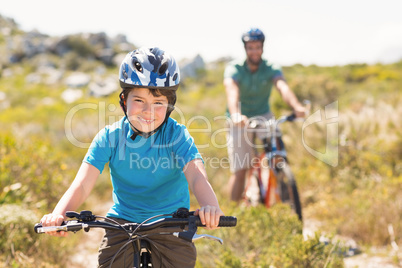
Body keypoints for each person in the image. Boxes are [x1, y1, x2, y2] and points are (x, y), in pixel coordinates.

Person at [40, 47, 224, 268]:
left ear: (169, 106)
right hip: (123, 220)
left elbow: (196, 175)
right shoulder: (109, 137)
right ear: (124, 101)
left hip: (171, 220)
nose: (148, 111)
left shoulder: (176, 135)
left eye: (158, 103)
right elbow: (82, 184)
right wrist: (58, 215)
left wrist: (210, 206)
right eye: (139, 100)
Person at [224, 28, 306, 202]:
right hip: (240, 119)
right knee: (241, 169)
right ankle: (231, 211)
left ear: (263, 48)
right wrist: (236, 114)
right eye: (250, 47)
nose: (254, 51)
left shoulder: (271, 67)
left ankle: (286, 197)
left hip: (264, 115)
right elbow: (232, 91)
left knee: (278, 156)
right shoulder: (235, 68)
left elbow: (282, 86)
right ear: (245, 49)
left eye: (258, 47)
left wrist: (296, 106)